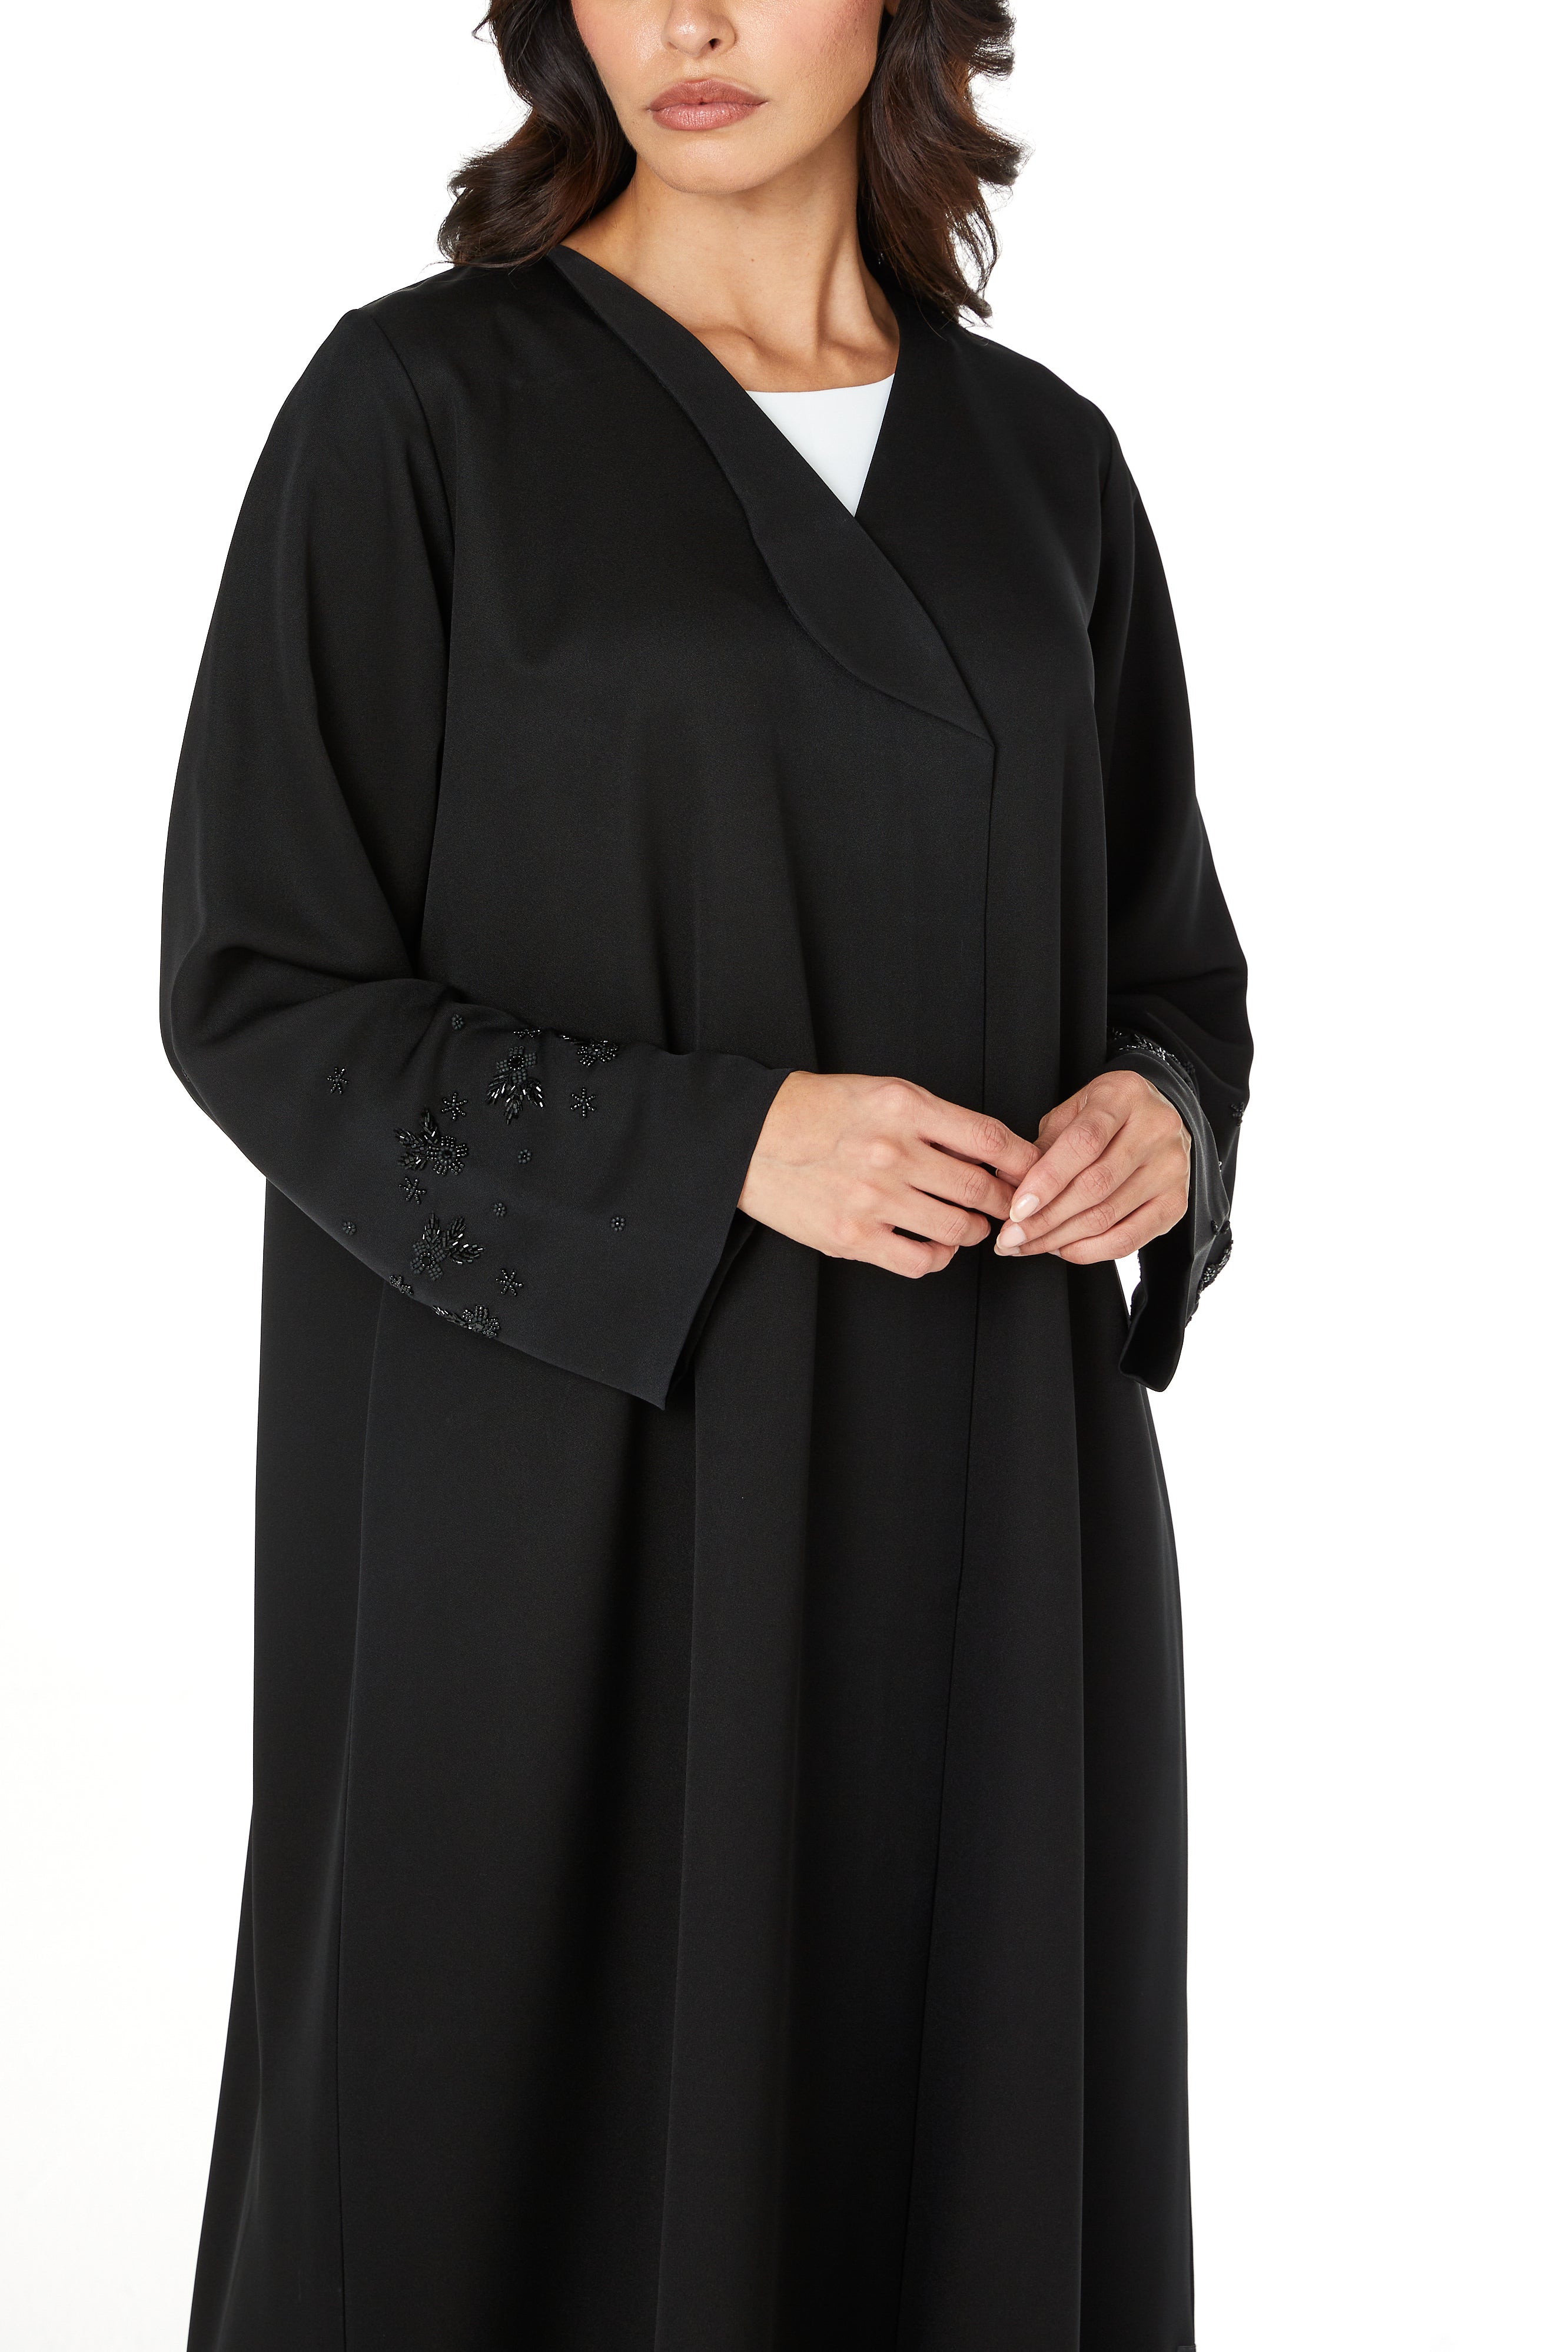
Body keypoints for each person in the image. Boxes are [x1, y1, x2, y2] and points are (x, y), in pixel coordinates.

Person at [161, 1, 1250, 2345]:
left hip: (981, 1519)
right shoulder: (417, 414)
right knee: (512, 2154)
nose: (692, 20)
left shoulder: (1045, 468)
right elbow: (260, 983)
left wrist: (1162, 1115)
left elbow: (1172, 958)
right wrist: (726, 1140)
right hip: (552, 1513)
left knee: (944, 2131)